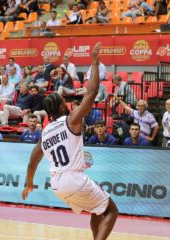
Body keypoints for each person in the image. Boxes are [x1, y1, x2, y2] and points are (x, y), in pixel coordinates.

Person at [22, 43, 118, 240]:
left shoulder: (45, 132)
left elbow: (32, 162)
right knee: (111, 211)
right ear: (61, 106)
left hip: (57, 184)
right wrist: (94, 61)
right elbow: (91, 94)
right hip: (74, 179)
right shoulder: (71, 120)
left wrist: (29, 184)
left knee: (97, 209)